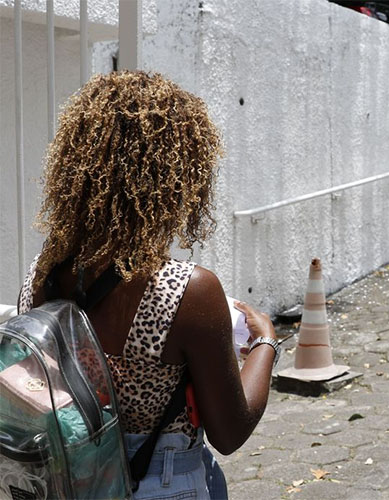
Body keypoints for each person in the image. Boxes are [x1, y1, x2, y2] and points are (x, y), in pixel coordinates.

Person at [17, 71, 281, 499]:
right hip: (160, 482)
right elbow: (230, 432)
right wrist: (266, 342)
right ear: (177, 177)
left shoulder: (41, 274)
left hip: (68, 482)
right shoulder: (188, 291)